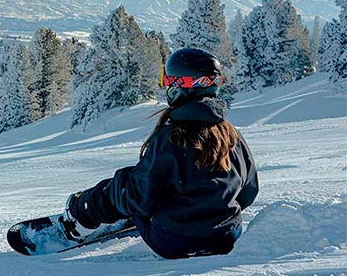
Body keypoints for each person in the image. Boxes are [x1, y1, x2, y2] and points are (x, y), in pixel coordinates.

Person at [62, 47, 258, 259]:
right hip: (227, 237)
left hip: (174, 241)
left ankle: (81, 218)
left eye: (170, 80)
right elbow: (249, 191)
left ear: (182, 85)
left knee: (130, 186)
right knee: (149, 185)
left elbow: (135, 195)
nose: (168, 87)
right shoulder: (230, 135)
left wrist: (87, 205)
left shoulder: (171, 138)